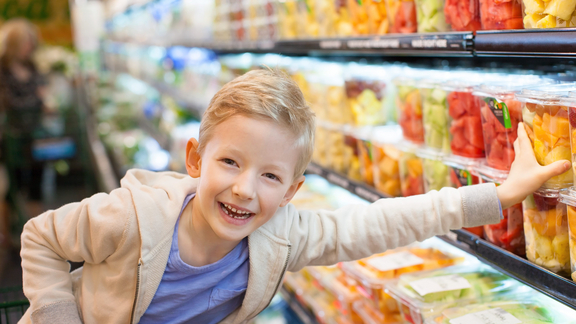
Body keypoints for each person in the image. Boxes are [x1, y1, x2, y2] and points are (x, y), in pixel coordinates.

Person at [19, 69, 569, 324]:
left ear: (292, 192)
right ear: (194, 160)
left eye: (270, 176)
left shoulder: (281, 236)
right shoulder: (130, 218)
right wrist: (56, 315)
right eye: (229, 162)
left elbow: (380, 223)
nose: (243, 188)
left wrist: (502, 195)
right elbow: (40, 236)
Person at [0, 19, 46, 204]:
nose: (29, 46)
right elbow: (12, 103)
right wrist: (38, 98)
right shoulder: (3, 69)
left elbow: (42, 92)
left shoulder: (32, 66)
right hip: (11, 136)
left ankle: (36, 228)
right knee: (12, 186)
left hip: (34, 132)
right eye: (25, 41)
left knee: (37, 182)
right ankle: (9, 229)